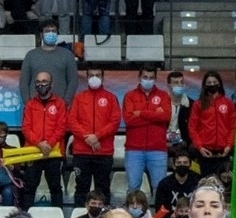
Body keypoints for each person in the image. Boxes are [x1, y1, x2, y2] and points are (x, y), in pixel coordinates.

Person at [68, 67, 121, 206]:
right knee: (81, 189)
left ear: (103, 78)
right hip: (81, 152)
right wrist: (87, 138)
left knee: (103, 189)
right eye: (91, 75)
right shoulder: (79, 97)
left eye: (98, 75)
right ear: (86, 77)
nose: (94, 77)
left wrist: (97, 136)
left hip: (103, 152)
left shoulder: (110, 98)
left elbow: (114, 122)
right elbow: (72, 121)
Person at [21, 71, 67, 210]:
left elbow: (62, 126)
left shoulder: (59, 103)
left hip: (54, 153)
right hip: (32, 152)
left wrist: (49, 144)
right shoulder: (30, 104)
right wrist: (39, 144)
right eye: (38, 82)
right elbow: (26, 127)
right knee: (29, 187)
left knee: (55, 187)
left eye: (44, 81)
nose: (41, 85)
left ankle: (58, 217)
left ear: (51, 84)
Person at [123, 64, 171, 196]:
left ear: (155, 78)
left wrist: (140, 113)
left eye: (151, 77)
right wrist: (155, 114)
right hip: (134, 150)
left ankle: (159, 217)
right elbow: (129, 120)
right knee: (133, 188)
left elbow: (166, 116)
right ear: (139, 77)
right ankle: (132, 217)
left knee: (160, 189)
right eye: (145, 77)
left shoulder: (163, 96)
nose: (148, 80)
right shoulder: (130, 96)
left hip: (158, 150)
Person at [188, 71, 236, 176]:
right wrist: (200, 147)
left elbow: (233, 127)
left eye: (214, 82)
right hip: (204, 152)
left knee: (224, 184)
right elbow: (192, 127)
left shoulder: (228, 103)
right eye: (209, 82)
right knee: (206, 183)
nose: (212, 85)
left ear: (219, 84)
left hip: (224, 152)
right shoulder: (198, 104)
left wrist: (228, 146)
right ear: (204, 85)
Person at [19, 21, 79, 107]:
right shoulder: (31, 55)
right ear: (41, 34)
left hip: (59, 107)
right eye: (47, 31)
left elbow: (73, 81)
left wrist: (65, 102)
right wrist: (28, 103)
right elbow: (24, 82)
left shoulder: (67, 55)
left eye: (53, 31)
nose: (51, 33)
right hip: (35, 106)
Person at [154, 150, 200, 218]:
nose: (182, 165)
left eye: (185, 163)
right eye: (179, 163)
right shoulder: (164, 183)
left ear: (190, 165)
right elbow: (159, 207)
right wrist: (170, 216)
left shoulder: (197, 183)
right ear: (174, 165)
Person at [165, 71, 193, 162]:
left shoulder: (192, 105)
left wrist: (184, 142)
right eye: (176, 83)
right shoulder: (161, 103)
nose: (180, 85)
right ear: (169, 85)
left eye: (181, 82)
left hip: (184, 145)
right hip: (163, 144)